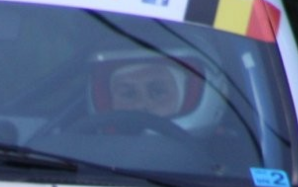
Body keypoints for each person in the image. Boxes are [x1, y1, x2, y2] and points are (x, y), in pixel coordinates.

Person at [87, 46, 229, 136]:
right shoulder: (86, 157)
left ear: (188, 99)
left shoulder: (234, 167)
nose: (141, 106)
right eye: (128, 94)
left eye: (158, 92)